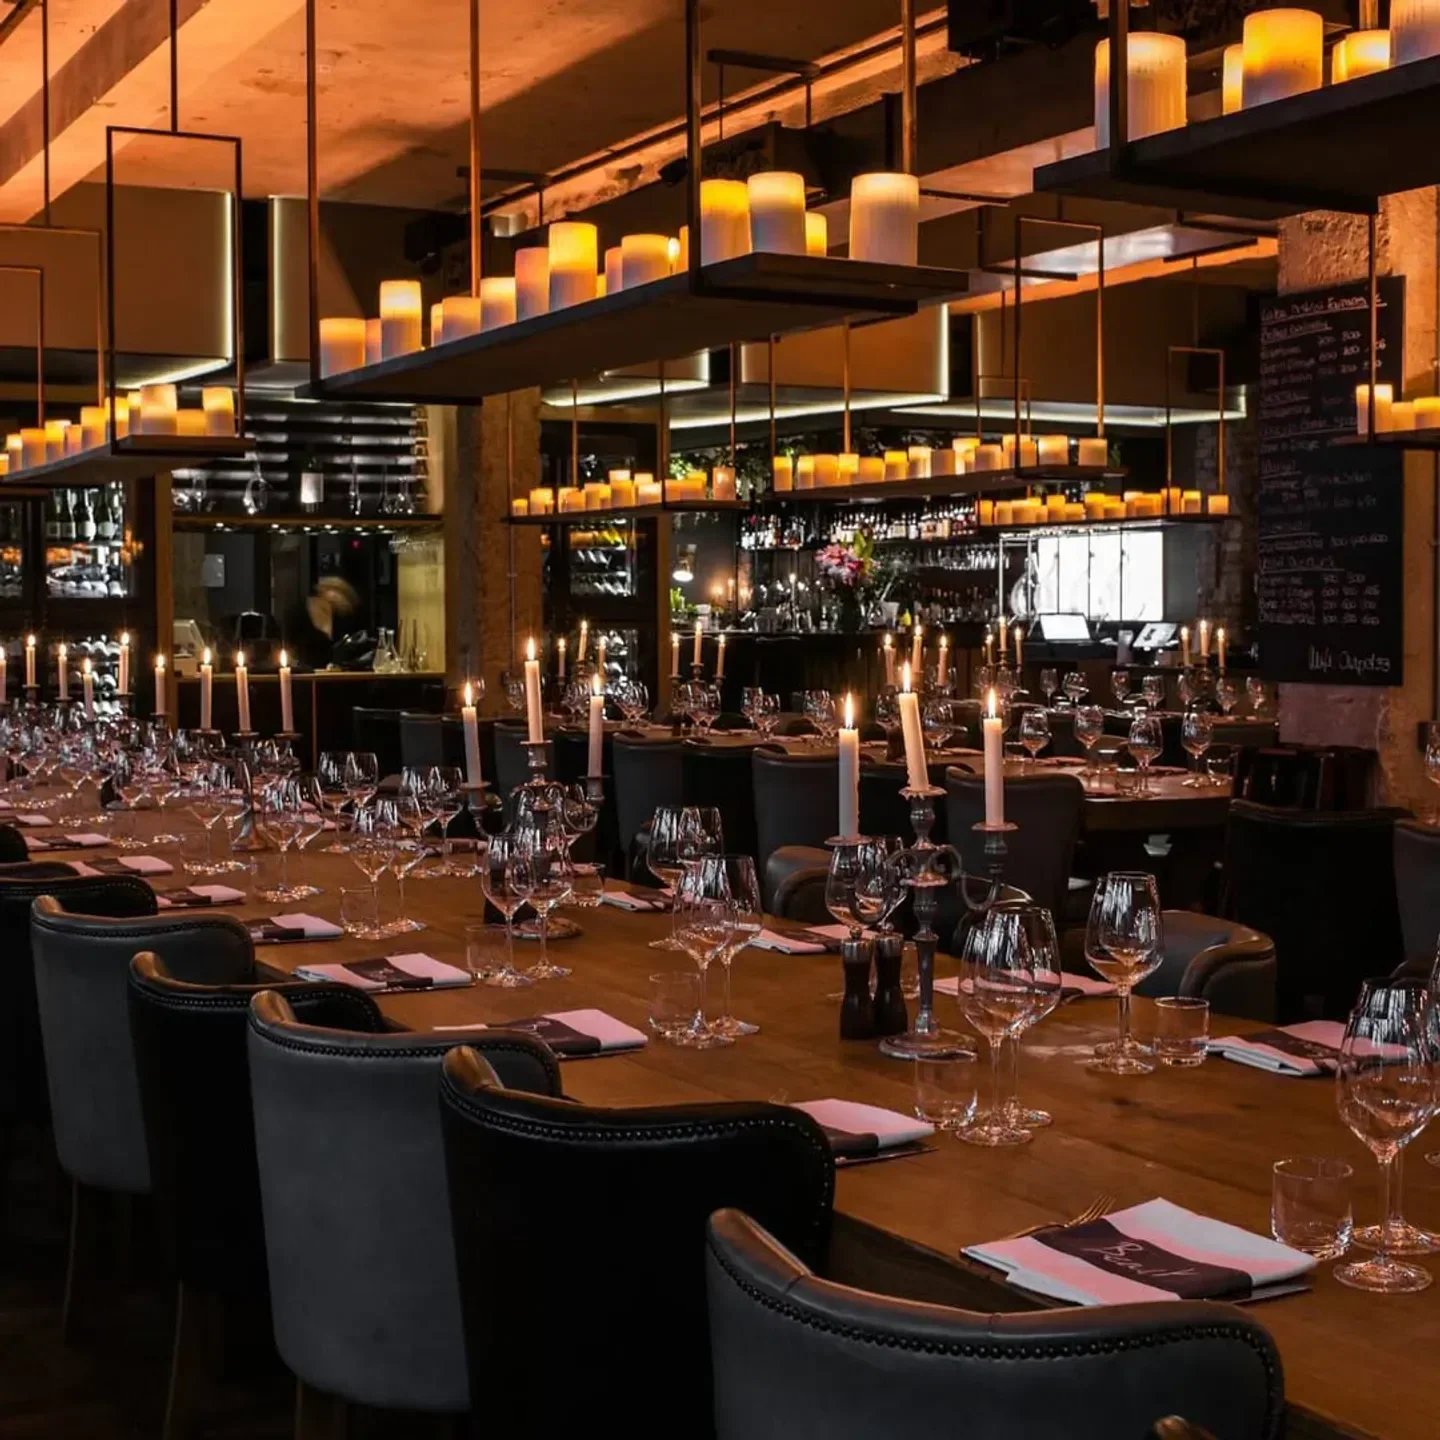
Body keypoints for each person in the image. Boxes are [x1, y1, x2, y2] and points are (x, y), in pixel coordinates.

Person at [283, 575, 359, 670]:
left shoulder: (342, 617)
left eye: (340, 592)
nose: (336, 595)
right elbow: (290, 645)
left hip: (337, 674)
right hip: (306, 672)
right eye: (332, 589)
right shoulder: (300, 611)